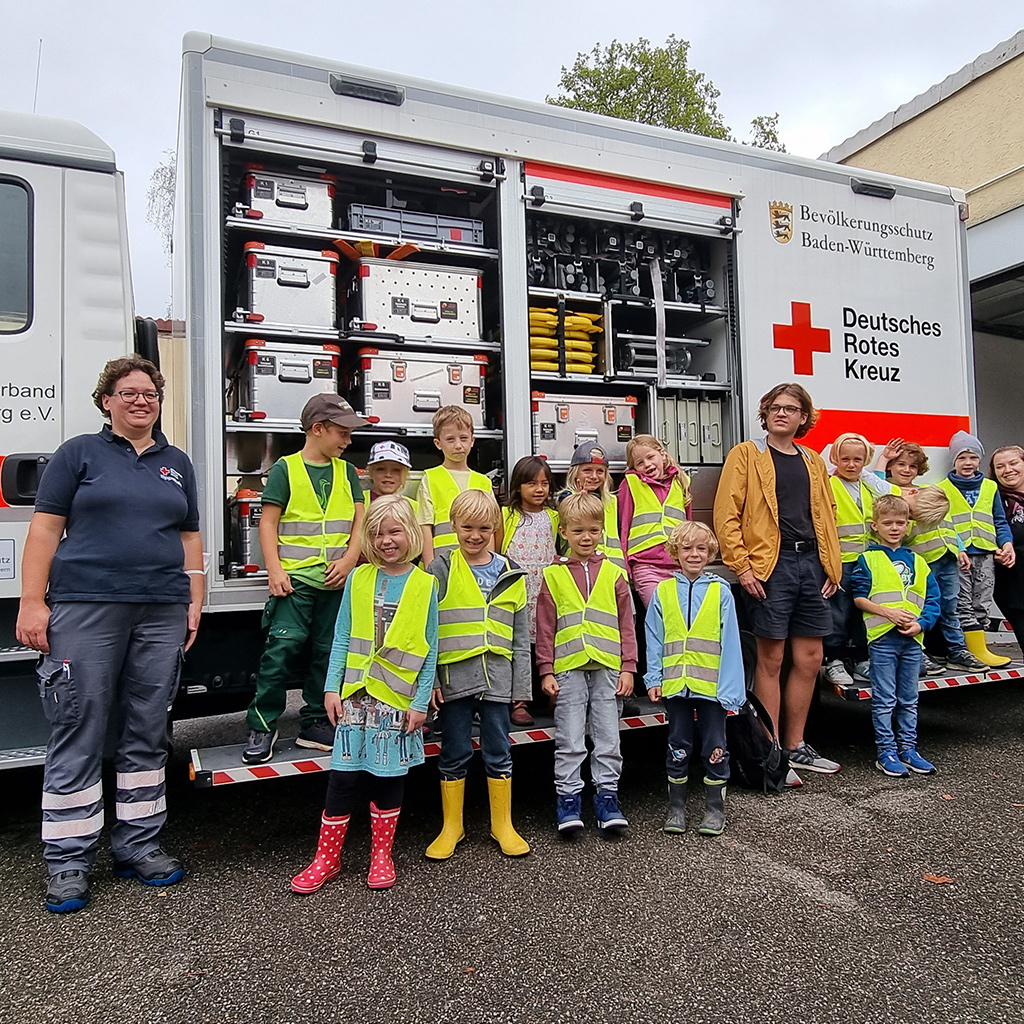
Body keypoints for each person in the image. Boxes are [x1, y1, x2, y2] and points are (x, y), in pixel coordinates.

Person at [16, 356, 204, 914]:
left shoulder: (177, 463)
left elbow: (190, 536)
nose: (140, 400)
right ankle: (70, 862)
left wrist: (195, 601)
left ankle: (138, 845)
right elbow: (45, 530)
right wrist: (32, 602)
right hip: (85, 605)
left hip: (161, 609)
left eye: (149, 393)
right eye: (128, 392)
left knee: (148, 728)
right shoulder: (78, 454)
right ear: (107, 400)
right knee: (79, 722)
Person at [290, 496, 436, 892]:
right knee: (342, 779)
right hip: (355, 696)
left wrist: (421, 702)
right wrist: (331, 687)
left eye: (394, 532)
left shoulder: (426, 583)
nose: (386, 540)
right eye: (376, 533)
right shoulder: (358, 577)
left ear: (410, 534)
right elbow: (341, 636)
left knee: (388, 778)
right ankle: (327, 859)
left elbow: (430, 648)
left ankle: (381, 855)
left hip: (396, 700)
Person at [713, 383, 842, 781]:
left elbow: (827, 514)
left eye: (791, 409)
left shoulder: (813, 461)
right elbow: (726, 514)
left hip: (812, 565)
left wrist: (831, 567)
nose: (782, 414)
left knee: (810, 659)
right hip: (772, 565)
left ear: (804, 417)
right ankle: (771, 755)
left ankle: (796, 747)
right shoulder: (747, 455)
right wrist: (743, 567)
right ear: (765, 414)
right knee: (770, 660)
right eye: (774, 408)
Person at [241, 393, 367, 764]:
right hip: (295, 583)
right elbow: (268, 522)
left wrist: (349, 560)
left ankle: (315, 722)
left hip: (336, 582)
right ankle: (262, 723)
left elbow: (360, 521)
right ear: (318, 429)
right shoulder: (285, 469)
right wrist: (275, 570)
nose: (347, 441)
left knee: (328, 655)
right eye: (342, 433)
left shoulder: (348, 472)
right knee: (280, 651)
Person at [425, 489, 531, 860]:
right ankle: (451, 826)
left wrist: (521, 687)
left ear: (495, 528)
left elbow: (520, 636)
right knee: (453, 751)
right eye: (467, 527)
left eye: (484, 528)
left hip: (498, 679)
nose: (475, 535)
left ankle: (502, 825)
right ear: (453, 525)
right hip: (455, 679)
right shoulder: (439, 569)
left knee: (499, 751)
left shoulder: (511, 571)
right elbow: (428, 630)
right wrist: (432, 682)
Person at [536, 493, 637, 833]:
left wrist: (629, 666)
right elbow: (545, 627)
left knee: (609, 738)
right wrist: (546, 670)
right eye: (578, 531)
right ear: (563, 531)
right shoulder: (553, 575)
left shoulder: (613, 573)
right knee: (570, 737)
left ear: (602, 531)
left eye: (594, 530)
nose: (586, 538)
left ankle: (607, 800)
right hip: (568, 669)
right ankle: (568, 802)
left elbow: (627, 624)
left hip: (609, 667)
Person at [645, 521, 745, 835]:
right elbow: (654, 637)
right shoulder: (663, 591)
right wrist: (653, 678)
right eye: (687, 548)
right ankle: (676, 809)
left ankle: (715, 810)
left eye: (701, 548)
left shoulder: (721, 591)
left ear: (710, 552)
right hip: (676, 686)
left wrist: (730, 689)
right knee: (678, 746)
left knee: (715, 747)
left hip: (712, 687)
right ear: (675, 552)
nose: (694, 554)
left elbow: (730, 642)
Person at [851, 494, 941, 776]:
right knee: (884, 699)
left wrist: (921, 625)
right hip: (882, 640)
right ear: (874, 525)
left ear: (908, 526)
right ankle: (886, 752)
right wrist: (888, 613)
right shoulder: (868, 559)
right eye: (887, 522)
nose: (894, 528)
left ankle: (909, 749)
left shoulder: (919, 561)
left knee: (909, 698)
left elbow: (932, 600)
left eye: (900, 523)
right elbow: (858, 598)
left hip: (912, 640)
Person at [823, 433, 898, 687]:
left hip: (869, 561)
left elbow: (893, 496)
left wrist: (869, 474)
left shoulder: (869, 485)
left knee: (862, 611)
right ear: (835, 458)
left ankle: (860, 658)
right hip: (841, 561)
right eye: (845, 459)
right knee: (838, 612)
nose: (852, 464)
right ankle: (835, 659)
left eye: (858, 459)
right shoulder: (828, 484)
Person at [938, 430, 1016, 667]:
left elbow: (999, 520)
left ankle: (979, 647)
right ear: (954, 460)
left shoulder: (991, 487)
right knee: (961, 602)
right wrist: (957, 547)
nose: (967, 463)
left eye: (972, 457)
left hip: (986, 553)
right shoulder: (943, 488)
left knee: (982, 600)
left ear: (980, 460)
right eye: (962, 457)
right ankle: (969, 651)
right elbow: (942, 522)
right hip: (958, 556)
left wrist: (1006, 543)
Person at [498, 455, 558, 727]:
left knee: (548, 641)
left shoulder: (554, 516)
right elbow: (496, 552)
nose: (539, 489)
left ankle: (554, 694)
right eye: (532, 483)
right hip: (517, 590)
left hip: (545, 590)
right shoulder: (507, 515)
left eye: (545, 483)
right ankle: (519, 700)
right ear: (518, 486)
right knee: (519, 645)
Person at [905, 485, 984, 674]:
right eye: (913, 516)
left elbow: (951, 529)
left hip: (948, 559)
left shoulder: (936, 503)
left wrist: (961, 548)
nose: (912, 517)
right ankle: (918, 652)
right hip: (924, 563)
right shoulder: (900, 506)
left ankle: (957, 651)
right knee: (918, 608)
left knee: (950, 607)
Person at [617, 434, 691, 608]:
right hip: (646, 566)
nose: (647, 465)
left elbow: (689, 526)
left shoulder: (682, 483)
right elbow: (623, 527)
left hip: (677, 565)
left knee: (682, 616)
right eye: (640, 463)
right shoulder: (631, 484)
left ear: (662, 454)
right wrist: (625, 566)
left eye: (650, 457)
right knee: (660, 613)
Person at [416, 405, 492, 566]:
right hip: (443, 563)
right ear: (438, 443)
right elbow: (425, 527)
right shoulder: (431, 478)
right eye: (450, 439)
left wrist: (490, 565)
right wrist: (431, 566)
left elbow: (491, 528)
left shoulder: (483, 482)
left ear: (472, 441)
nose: (458, 445)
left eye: (463, 438)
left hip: (477, 564)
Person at [556, 442, 626, 571]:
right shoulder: (566, 498)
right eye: (587, 470)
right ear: (575, 473)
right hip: (581, 568)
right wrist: (579, 499)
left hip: (615, 568)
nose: (594, 476)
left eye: (600, 471)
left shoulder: (612, 501)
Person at [990, 445, 1024, 653]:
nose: (1008, 470)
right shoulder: (993, 501)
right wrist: (996, 551)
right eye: (1000, 466)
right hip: (1015, 588)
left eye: (1013, 463)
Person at [365, 440, 418, 514]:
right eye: (381, 469)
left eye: (396, 470)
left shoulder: (413, 507)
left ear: (405, 475)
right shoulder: (357, 501)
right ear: (371, 473)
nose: (388, 475)